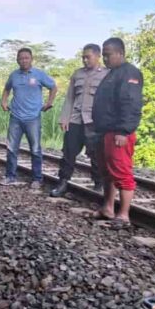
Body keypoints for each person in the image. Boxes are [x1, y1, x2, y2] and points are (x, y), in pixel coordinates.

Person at [91, 37, 143, 227]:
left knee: (121, 172)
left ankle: (124, 214)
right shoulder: (112, 73)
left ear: (120, 53)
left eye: (108, 55)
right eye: (103, 55)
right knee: (107, 172)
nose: (105, 59)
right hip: (105, 131)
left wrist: (124, 130)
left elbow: (131, 104)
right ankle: (108, 207)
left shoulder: (129, 73)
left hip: (118, 132)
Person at [50, 44, 108, 197]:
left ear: (97, 56)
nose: (85, 60)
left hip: (94, 121)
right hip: (75, 120)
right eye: (83, 57)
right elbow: (69, 98)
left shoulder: (107, 74)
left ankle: (98, 185)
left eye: (88, 57)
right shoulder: (77, 74)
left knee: (96, 155)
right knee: (68, 153)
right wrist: (64, 118)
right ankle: (63, 182)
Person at [0, 48, 58, 189]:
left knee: (36, 149)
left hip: (33, 118)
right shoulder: (14, 75)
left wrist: (49, 103)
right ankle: (10, 176)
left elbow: (53, 87)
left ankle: (37, 178)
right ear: (17, 60)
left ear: (31, 59)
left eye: (26, 58)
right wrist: (4, 101)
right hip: (15, 117)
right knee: (12, 149)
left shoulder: (39, 74)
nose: (24, 60)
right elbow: (7, 89)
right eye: (21, 58)